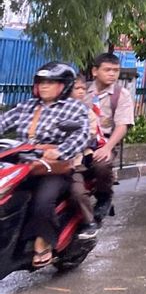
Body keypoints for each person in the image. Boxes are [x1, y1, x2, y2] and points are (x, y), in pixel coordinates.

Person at [0, 62, 90, 267]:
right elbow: (3, 122)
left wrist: (59, 151)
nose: (44, 86)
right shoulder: (27, 106)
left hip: (53, 169)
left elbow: (82, 134)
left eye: (51, 82)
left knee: (42, 201)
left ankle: (44, 242)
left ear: (64, 86)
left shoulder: (73, 108)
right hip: (23, 165)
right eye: (41, 82)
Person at [86, 53, 133, 223]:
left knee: (101, 164)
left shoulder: (121, 95)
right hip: (80, 141)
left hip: (105, 141)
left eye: (116, 70)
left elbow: (122, 125)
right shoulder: (82, 91)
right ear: (95, 71)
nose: (112, 74)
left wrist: (107, 148)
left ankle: (104, 197)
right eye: (107, 70)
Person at [67, 79, 103, 237]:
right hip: (43, 162)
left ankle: (89, 221)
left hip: (73, 162)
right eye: (77, 88)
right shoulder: (48, 110)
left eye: (83, 88)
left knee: (77, 191)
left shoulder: (87, 112)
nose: (81, 91)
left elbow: (90, 135)